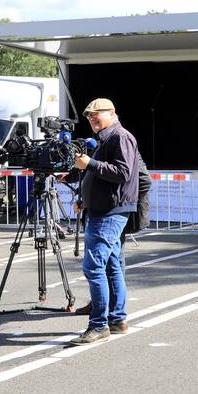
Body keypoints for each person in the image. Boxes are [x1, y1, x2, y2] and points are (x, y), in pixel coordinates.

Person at [70, 98, 138, 345]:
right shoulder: (106, 139)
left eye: (97, 114)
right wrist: (84, 198)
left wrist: (91, 163)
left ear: (113, 114)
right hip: (101, 210)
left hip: (109, 212)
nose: (92, 119)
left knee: (93, 267)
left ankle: (99, 325)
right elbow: (101, 176)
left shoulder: (119, 137)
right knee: (110, 266)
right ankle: (117, 320)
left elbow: (122, 173)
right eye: (89, 116)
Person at [76, 152, 150, 317]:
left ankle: (112, 312)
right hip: (98, 211)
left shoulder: (122, 143)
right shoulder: (102, 144)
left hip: (113, 212)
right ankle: (103, 306)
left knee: (108, 264)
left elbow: (144, 181)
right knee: (108, 264)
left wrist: (125, 204)